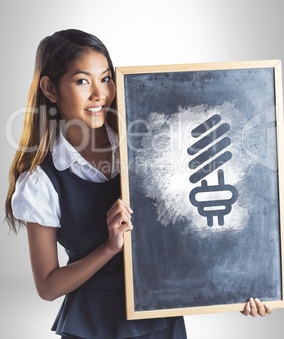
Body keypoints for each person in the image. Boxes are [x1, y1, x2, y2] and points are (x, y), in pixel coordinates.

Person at [5, 29, 271, 339]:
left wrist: (237, 289)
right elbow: (48, 286)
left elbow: (195, 228)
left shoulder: (153, 144)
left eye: (105, 78)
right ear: (50, 89)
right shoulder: (41, 180)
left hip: (161, 319)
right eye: (82, 81)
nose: (99, 94)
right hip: (92, 325)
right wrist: (108, 247)